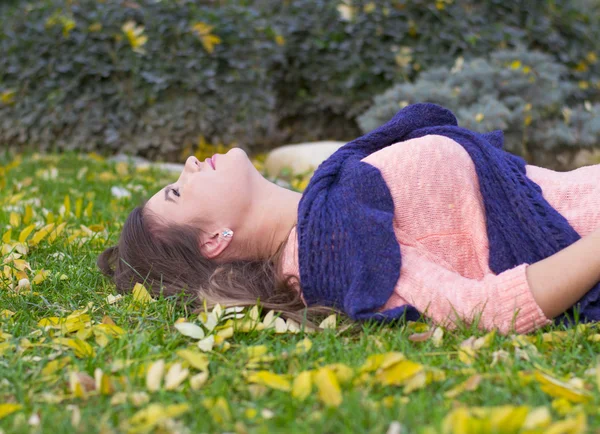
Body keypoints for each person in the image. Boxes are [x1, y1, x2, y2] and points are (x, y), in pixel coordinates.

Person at [97, 103, 600, 335]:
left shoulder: (325, 206)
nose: (188, 166)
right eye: (178, 192)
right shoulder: (329, 251)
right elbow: (484, 310)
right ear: (214, 240)